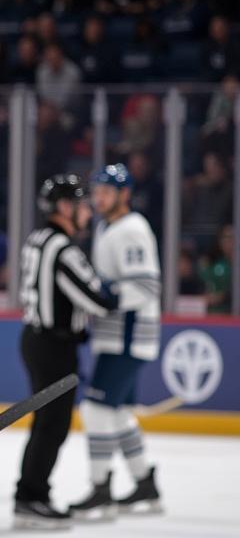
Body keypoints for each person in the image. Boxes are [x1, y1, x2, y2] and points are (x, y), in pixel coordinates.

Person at [14, 175, 118, 529]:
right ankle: (31, 497)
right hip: (54, 346)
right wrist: (120, 291)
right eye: (83, 205)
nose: (88, 212)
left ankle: (30, 494)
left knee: (45, 423)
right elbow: (99, 301)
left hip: (36, 339)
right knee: (52, 425)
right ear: (64, 207)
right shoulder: (64, 249)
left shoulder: (37, 239)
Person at [69, 164, 162, 519]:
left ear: (125, 194)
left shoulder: (132, 229)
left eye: (107, 191)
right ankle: (145, 483)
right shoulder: (108, 227)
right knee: (117, 412)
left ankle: (100, 488)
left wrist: (105, 297)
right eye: (98, 191)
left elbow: (145, 287)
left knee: (95, 409)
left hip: (128, 337)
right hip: (116, 337)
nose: (100, 197)